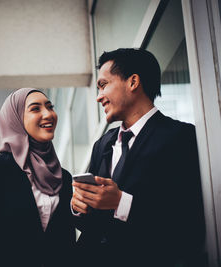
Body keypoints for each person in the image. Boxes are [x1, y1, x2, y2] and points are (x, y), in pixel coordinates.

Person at [71, 48, 205, 267]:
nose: (99, 97)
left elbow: (188, 223)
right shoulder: (102, 144)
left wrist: (121, 202)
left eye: (104, 85)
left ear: (133, 82)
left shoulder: (181, 137)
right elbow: (92, 225)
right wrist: (79, 207)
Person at [0, 88, 76, 267]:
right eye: (35, 109)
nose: (48, 114)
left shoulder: (64, 177)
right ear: (16, 120)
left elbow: (67, 243)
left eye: (50, 106)